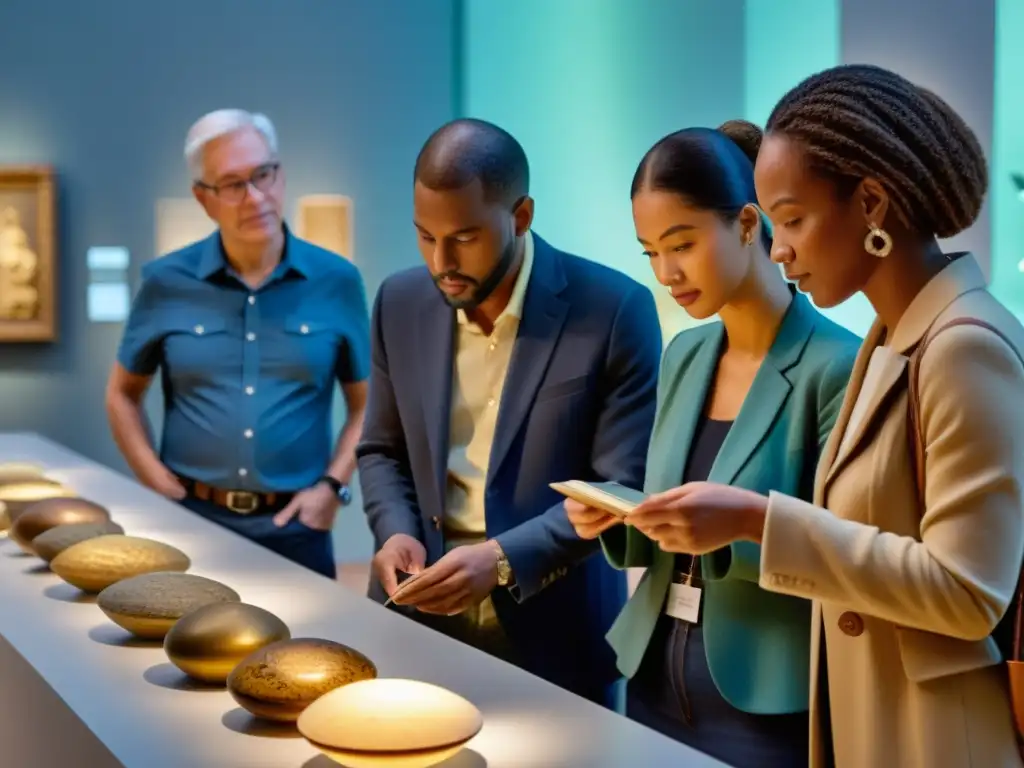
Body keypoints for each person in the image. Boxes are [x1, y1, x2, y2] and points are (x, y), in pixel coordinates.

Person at [618, 64, 1024, 768]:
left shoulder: (963, 345)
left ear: (871, 203)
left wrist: (756, 521)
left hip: (930, 741)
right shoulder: (890, 338)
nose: (778, 250)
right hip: (869, 723)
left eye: (794, 221)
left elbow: (968, 593)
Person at [566, 120, 860, 766]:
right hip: (650, 681)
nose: (666, 272)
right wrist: (615, 519)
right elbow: (671, 515)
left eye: (682, 244)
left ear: (749, 224)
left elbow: (847, 551)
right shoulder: (686, 352)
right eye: (649, 253)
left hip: (766, 699)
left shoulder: (837, 365)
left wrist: (737, 529)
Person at [356, 117, 662, 706]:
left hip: (556, 629)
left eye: (464, 237)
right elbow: (381, 449)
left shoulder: (615, 308)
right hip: (415, 612)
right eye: (424, 236)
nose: (440, 260)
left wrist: (500, 560)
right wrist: (394, 531)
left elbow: (621, 486)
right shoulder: (398, 300)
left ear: (521, 216)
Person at [106, 109, 370, 579]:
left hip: (297, 529)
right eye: (232, 184)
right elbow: (122, 395)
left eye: (263, 174)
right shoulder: (165, 281)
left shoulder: (338, 281)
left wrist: (333, 488)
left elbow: (367, 406)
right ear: (203, 199)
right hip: (189, 522)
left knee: (300, 653)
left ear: (280, 173)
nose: (255, 197)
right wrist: (154, 480)